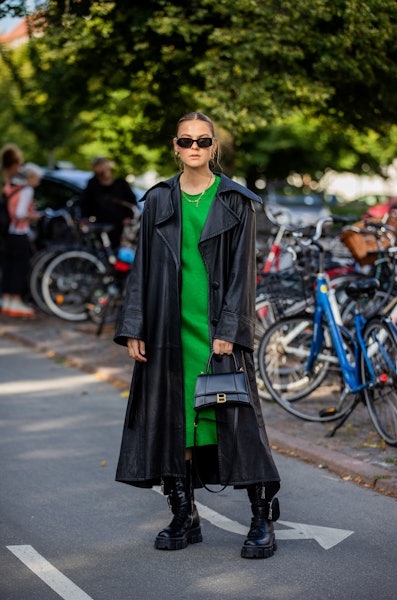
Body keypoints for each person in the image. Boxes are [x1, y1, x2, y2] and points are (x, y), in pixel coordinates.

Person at [114, 112, 281, 558]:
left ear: (213, 148)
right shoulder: (158, 200)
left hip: (216, 332)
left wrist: (230, 329)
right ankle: (184, 516)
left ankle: (262, 518)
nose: (194, 147)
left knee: (238, 424)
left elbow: (245, 277)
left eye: (203, 141)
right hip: (169, 329)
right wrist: (135, 325)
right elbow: (142, 269)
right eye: (186, 141)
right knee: (177, 425)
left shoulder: (234, 201)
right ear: (175, 146)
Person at [1, 162, 42, 317]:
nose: (38, 182)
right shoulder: (26, 190)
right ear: (30, 177)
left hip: (9, 234)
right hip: (19, 232)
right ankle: (16, 301)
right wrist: (34, 216)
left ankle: (7, 300)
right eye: (37, 178)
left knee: (9, 268)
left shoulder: (13, 187)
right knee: (19, 268)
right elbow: (19, 213)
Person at [80, 157, 137, 250]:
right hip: (100, 222)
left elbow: (131, 201)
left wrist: (128, 217)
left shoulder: (120, 183)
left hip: (120, 223)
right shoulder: (93, 183)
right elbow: (85, 202)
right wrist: (86, 218)